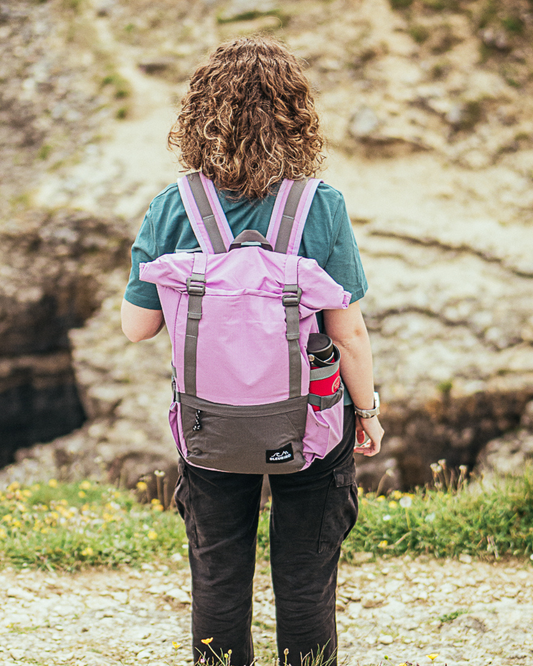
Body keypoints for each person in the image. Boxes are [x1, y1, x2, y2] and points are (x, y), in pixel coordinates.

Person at [121, 36, 383, 666]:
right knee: (304, 573)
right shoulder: (321, 206)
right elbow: (348, 332)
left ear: (199, 114)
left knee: (217, 571)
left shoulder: (172, 206)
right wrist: (367, 412)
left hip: (209, 421)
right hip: (313, 419)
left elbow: (137, 328)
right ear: (297, 115)